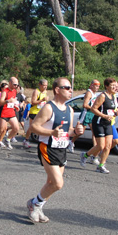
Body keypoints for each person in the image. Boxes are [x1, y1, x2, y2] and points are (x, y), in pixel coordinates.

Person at [26, 77, 84, 223]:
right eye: (67, 88)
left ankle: (37, 206)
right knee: (58, 183)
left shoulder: (69, 110)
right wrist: (51, 133)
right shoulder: (49, 108)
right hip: (47, 147)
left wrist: (77, 131)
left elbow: (68, 131)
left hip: (61, 149)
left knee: (51, 184)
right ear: (57, 90)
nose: (71, 90)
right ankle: (34, 204)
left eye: (71, 88)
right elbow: (34, 127)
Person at [79, 78, 118, 174]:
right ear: (107, 86)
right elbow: (94, 109)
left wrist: (117, 112)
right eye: (113, 86)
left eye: (117, 86)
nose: (115, 88)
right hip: (99, 123)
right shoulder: (102, 96)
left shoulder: (114, 97)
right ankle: (85, 155)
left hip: (108, 123)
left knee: (108, 146)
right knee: (101, 146)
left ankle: (101, 166)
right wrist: (104, 116)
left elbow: (113, 109)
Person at [75, 79, 101, 160]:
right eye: (96, 86)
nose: (97, 87)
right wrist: (93, 108)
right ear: (92, 85)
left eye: (98, 86)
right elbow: (85, 105)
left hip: (91, 114)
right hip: (86, 113)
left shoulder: (94, 93)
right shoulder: (89, 93)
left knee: (94, 132)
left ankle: (95, 151)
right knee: (80, 131)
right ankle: (70, 142)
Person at [0, 77, 20, 150]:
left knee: (16, 128)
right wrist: (8, 101)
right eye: (14, 84)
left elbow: (13, 101)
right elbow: (0, 102)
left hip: (11, 112)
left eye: (17, 85)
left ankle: (8, 139)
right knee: (1, 129)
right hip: (3, 112)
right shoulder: (5, 91)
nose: (16, 86)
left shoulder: (15, 91)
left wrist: (15, 106)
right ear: (10, 83)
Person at [23, 79, 48, 149]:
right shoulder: (36, 91)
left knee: (42, 127)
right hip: (34, 112)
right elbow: (33, 102)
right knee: (32, 128)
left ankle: (42, 141)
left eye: (46, 85)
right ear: (40, 85)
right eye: (44, 85)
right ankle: (26, 140)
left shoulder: (45, 92)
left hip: (41, 112)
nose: (45, 87)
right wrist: (42, 100)